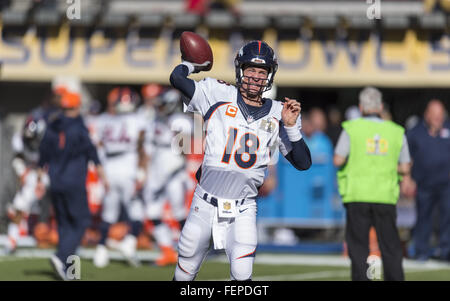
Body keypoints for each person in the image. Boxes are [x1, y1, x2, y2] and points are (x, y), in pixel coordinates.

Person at [169, 40, 312, 281]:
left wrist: (291, 128)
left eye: (262, 71)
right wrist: (191, 64)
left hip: (243, 206)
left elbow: (303, 163)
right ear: (240, 70)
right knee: (185, 271)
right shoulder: (218, 94)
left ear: (270, 75)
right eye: (251, 70)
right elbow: (177, 78)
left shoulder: (281, 113)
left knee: (242, 275)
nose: (256, 76)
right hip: (204, 202)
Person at [334, 87, 411, 281]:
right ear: (381, 106)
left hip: (357, 195)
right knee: (391, 247)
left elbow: (338, 159)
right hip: (385, 195)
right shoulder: (396, 131)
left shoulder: (351, 128)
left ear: (361, 107)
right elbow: (405, 166)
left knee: (359, 247)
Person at [38, 90, 105, 280]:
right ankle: (61, 257)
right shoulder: (78, 126)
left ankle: (69, 270)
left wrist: (40, 173)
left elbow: (43, 152)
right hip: (73, 180)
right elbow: (91, 150)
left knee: (64, 224)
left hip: (55, 180)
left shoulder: (52, 124)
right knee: (82, 221)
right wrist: (102, 172)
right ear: (76, 107)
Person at [92, 87, 146, 268]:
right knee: (137, 211)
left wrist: (102, 173)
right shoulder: (138, 120)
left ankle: (100, 250)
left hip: (109, 168)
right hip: (128, 168)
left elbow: (98, 146)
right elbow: (141, 147)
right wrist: (141, 171)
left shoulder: (104, 120)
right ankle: (129, 243)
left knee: (109, 213)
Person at [142, 88, 194, 266]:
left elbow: (183, 151)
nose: (160, 108)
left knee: (179, 213)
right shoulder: (156, 121)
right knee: (152, 211)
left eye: (163, 105)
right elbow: (148, 148)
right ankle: (167, 251)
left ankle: (194, 249)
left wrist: (165, 175)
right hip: (157, 168)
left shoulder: (181, 122)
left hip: (174, 171)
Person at [405, 100, 450, 262]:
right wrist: (407, 178)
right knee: (423, 218)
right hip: (423, 183)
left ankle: (446, 251)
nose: (438, 118)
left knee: (447, 218)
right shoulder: (416, 132)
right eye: (435, 115)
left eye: (440, 115)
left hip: (446, 184)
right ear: (427, 115)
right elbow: (406, 157)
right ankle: (421, 251)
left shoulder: (448, 129)